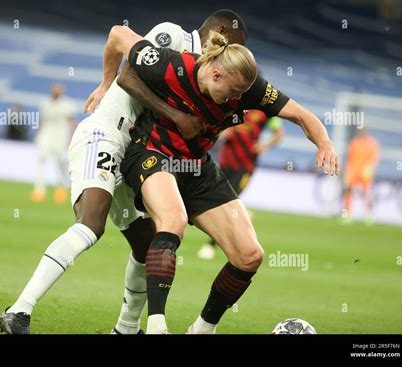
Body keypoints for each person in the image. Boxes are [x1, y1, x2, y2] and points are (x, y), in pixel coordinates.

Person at [0, 9, 248, 335]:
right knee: (91, 224)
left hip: (134, 153)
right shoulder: (173, 36)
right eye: (235, 48)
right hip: (106, 135)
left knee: (146, 245)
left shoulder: (202, 75)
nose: (234, 58)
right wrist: (107, 84)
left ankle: (126, 329)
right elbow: (124, 58)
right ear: (222, 35)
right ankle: (18, 311)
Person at [110, 25, 339, 333]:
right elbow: (118, 35)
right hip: (152, 153)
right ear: (216, 75)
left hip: (197, 167)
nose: (239, 100)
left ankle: (203, 329)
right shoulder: (171, 65)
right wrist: (104, 84)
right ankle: (156, 325)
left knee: (249, 255)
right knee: (173, 222)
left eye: (243, 94)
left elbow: (301, 115)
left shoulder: (248, 88)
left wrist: (324, 143)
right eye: (234, 92)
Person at [198, 110, 284, 260]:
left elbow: (279, 133)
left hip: (246, 165)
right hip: (226, 161)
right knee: (218, 200)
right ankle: (243, 215)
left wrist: (264, 146)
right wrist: (223, 133)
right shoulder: (235, 107)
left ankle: (210, 245)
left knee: (229, 200)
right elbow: (219, 130)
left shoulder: (265, 111)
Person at [31, 83, 75, 204]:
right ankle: (39, 191)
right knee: (41, 160)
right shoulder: (44, 103)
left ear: (61, 92)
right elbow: (42, 121)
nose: (55, 92)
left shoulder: (67, 105)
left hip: (61, 136)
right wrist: (38, 135)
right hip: (46, 135)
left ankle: (61, 189)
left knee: (60, 162)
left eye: (58, 90)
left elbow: (71, 123)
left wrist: (70, 138)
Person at [343, 129, 380, 224]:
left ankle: (368, 215)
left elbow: (374, 157)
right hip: (353, 170)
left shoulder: (372, 143)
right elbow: (350, 157)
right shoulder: (354, 142)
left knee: (367, 193)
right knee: (348, 191)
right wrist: (347, 169)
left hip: (365, 172)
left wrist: (370, 168)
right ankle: (347, 214)